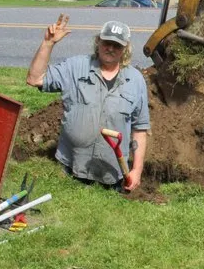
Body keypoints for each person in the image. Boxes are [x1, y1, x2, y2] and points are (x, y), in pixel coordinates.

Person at [26, 15, 150, 192]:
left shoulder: (136, 81)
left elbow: (140, 129)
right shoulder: (75, 67)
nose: (110, 48)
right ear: (98, 42)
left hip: (112, 176)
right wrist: (48, 43)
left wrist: (137, 170)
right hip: (70, 170)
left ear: (125, 49)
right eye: (106, 42)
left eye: (117, 45)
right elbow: (35, 78)